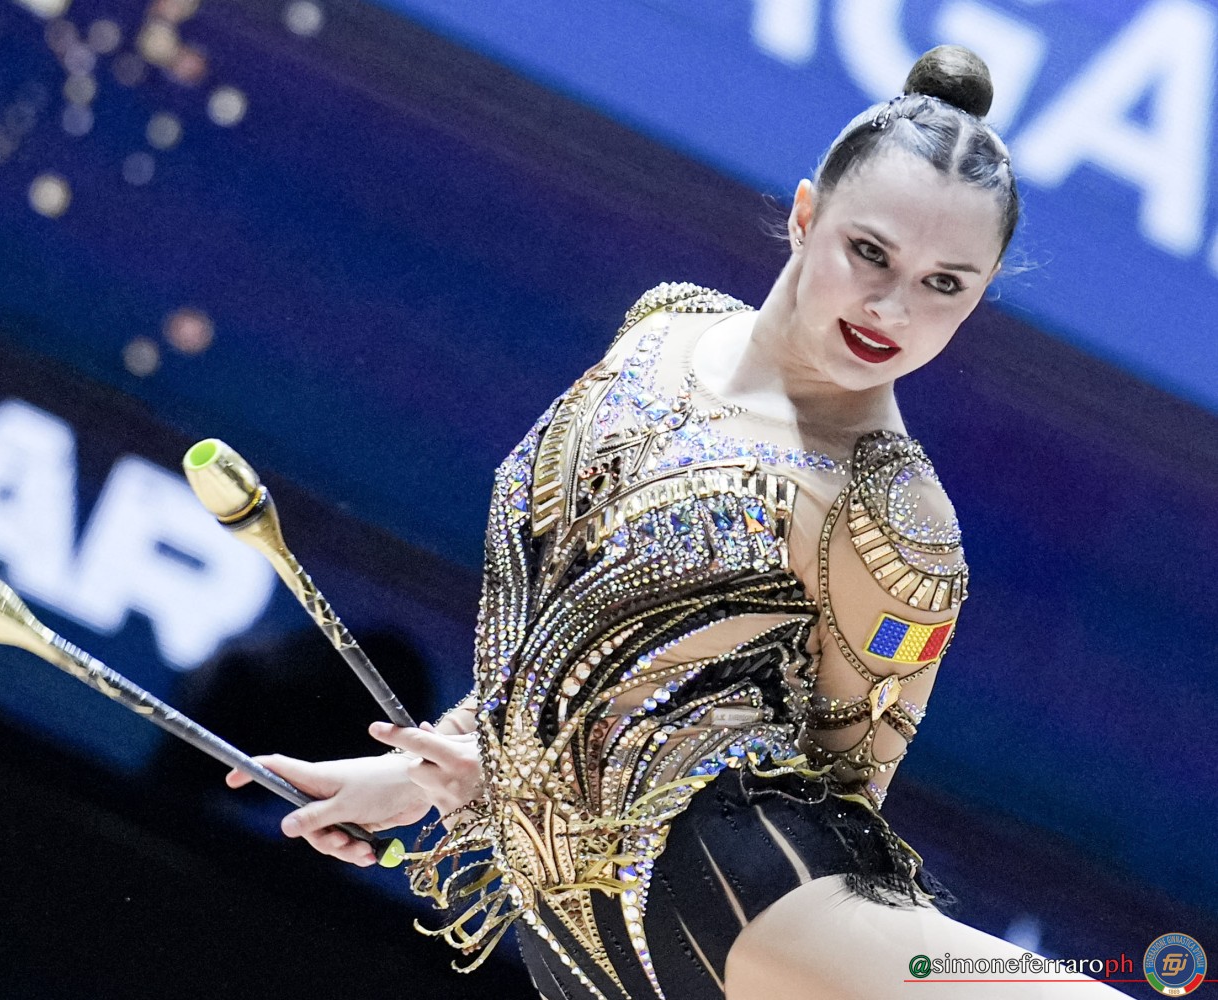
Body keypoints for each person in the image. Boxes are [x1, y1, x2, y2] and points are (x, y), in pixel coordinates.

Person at [227, 46, 1126, 998]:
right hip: (572, 937)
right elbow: (572, 616)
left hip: (727, 896)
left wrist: (545, 796)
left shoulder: (894, 519)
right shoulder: (663, 328)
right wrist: (422, 777)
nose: (893, 308)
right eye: (870, 252)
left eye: (946, 284)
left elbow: (848, 795)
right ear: (805, 215)